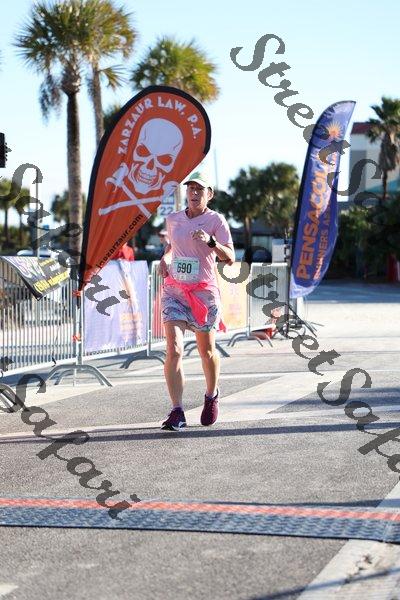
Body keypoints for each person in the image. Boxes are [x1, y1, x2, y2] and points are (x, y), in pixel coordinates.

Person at [158, 171, 235, 431]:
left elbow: (230, 257)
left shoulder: (216, 220)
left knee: (207, 351)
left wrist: (211, 242)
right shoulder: (173, 219)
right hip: (175, 292)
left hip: (203, 294)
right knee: (174, 349)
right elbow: (172, 248)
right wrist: (165, 259)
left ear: (209, 195)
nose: (193, 193)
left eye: (199, 189)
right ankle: (177, 411)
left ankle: (211, 395)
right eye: (190, 188)